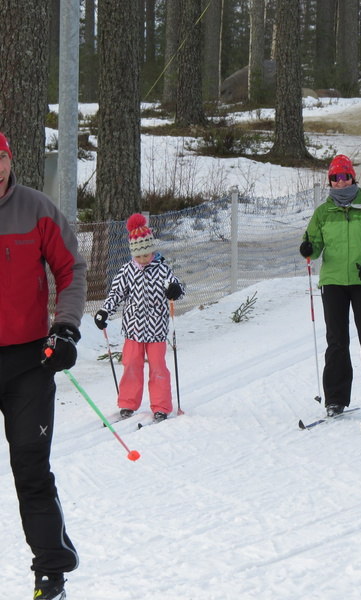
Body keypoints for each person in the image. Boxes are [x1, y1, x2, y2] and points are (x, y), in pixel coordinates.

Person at [0, 132, 86, 599]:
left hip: (28, 363)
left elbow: (71, 268)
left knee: (31, 468)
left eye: (1, 156)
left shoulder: (36, 209)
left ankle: (51, 573)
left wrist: (65, 327)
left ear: (10, 159)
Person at [299, 155, 361, 418]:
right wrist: (308, 248)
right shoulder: (323, 212)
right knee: (336, 341)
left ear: (353, 178)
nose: (340, 182)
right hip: (333, 282)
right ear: (330, 181)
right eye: (335, 178)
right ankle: (335, 399)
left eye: (344, 176)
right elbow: (313, 245)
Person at [94, 214, 185, 423]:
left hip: (156, 329)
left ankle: (161, 406)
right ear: (133, 253)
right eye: (139, 255)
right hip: (133, 328)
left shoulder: (162, 269)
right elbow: (116, 293)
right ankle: (127, 403)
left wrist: (175, 290)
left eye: (147, 254)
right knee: (131, 365)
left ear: (152, 250)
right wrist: (105, 311)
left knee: (158, 368)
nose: (144, 259)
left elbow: (178, 288)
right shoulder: (127, 271)